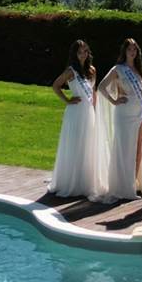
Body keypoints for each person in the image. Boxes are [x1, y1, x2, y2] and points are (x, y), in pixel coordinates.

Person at [48, 39, 108, 199]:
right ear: (75, 54)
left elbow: (93, 92)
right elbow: (56, 85)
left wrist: (96, 111)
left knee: (88, 145)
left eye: (85, 51)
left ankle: (85, 182)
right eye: (80, 52)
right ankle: (71, 182)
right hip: (75, 113)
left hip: (88, 112)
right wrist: (67, 100)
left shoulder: (92, 70)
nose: (83, 55)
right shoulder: (70, 71)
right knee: (74, 145)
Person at [97, 37, 142, 199]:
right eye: (130, 49)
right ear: (124, 51)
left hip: (139, 113)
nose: (133, 52)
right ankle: (123, 187)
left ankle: (132, 184)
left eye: (135, 49)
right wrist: (114, 101)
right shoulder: (118, 69)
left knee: (137, 149)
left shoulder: (138, 70)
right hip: (124, 113)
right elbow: (101, 87)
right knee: (124, 150)